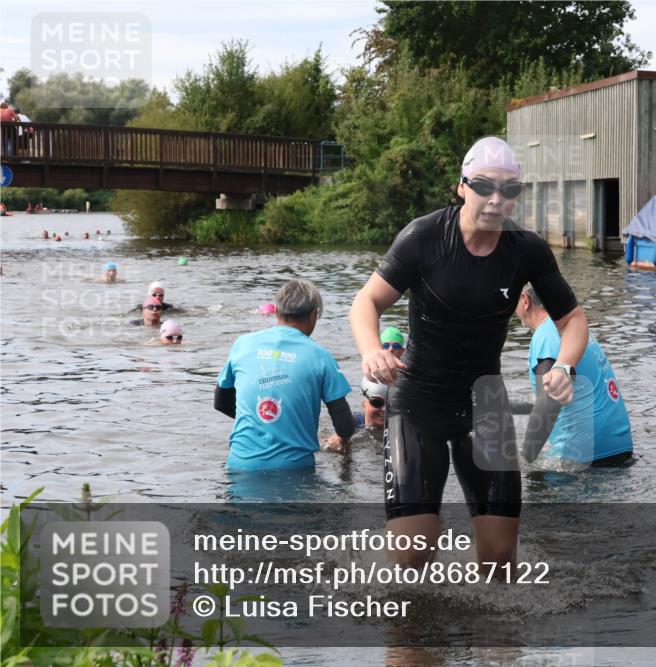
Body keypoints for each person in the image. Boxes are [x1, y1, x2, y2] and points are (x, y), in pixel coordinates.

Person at [348, 136, 588, 569]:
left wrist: (566, 367)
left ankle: (497, 636)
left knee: (500, 560)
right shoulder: (423, 236)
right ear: (462, 186)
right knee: (412, 557)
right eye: (484, 186)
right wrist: (371, 351)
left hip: (485, 402)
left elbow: (573, 321)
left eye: (510, 190)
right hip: (419, 401)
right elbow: (366, 302)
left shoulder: (527, 250)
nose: (497, 200)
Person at [215, 278, 355, 471]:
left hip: (240, 465)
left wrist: (263, 422)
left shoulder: (242, 344)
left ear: (277, 311)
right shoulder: (320, 357)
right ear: (314, 315)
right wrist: (343, 440)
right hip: (295, 470)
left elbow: (221, 403)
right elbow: (343, 422)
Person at [515, 284, 633, 467]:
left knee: (533, 489)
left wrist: (525, 458)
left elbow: (547, 404)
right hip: (620, 445)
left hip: (585, 455)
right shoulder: (574, 331)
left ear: (525, 300)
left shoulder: (545, 336)